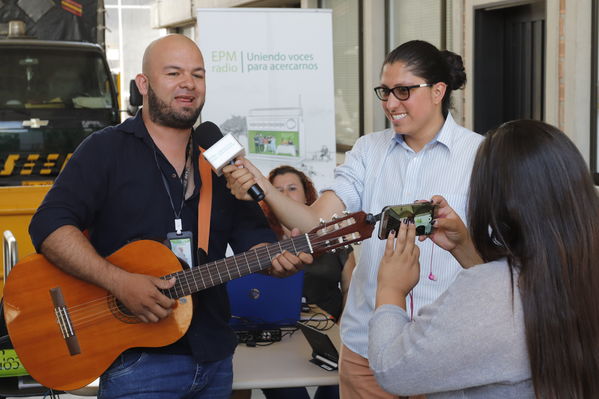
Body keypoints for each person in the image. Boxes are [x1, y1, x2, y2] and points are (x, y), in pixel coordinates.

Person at [28, 34, 310, 399]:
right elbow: (48, 225)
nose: (188, 84)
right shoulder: (106, 149)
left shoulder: (220, 158)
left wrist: (280, 260)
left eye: (198, 74)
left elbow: (253, 239)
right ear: (143, 84)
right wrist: (118, 282)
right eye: (174, 73)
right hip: (136, 362)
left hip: (214, 358)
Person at [225, 40, 483, 398]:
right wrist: (261, 184)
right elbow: (315, 221)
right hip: (368, 349)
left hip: (444, 350)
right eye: (385, 91)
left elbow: (496, 263)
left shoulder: (480, 156)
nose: (391, 104)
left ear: (438, 91)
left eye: (403, 91)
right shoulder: (368, 150)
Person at [369, 119, 599, 398]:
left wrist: (390, 289)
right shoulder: (578, 273)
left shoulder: (490, 291)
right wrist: (465, 249)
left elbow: (392, 372)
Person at [259, 165, 355, 399]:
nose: (285, 195)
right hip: (279, 340)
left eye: (292, 188)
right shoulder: (260, 242)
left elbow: (352, 290)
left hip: (330, 334)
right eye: (277, 190)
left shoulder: (335, 239)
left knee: (335, 389)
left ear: (307, 195)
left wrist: (343, 330)